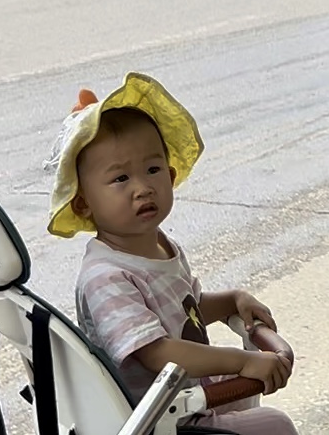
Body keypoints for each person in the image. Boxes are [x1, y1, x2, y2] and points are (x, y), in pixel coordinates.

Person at [44, 72, 299, 435]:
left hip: (182, 402)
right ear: (83, 203)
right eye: (121, 179)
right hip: (154, 420)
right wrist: (243, 360)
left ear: (171, 171)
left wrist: (231, 301)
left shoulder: (160, 246)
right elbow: (157, 352)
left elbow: (186, 311)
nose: (143, 188)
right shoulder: (106, 276)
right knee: (274, 426)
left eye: (152, 169)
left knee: (249, 380)